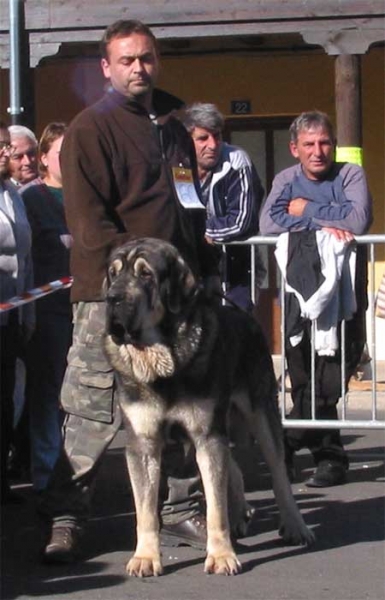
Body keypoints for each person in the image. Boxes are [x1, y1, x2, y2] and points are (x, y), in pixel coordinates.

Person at [39, 19, 219, 564]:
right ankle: (67, 515)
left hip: (177, 299)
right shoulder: (91, 128)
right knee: (91, 406)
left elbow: (187, 203)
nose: (138, 68)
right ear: (106, 68)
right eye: (127, 60)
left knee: (182, 402)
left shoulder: (174, 123)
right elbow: (89, 223)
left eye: (146, 58)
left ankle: (180, 508)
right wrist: (141, 273)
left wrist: (201, 265)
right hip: (108, 295)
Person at [259, 110, 373, 487]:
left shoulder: (350, 174)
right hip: (297, 293)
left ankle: (285, 442)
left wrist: (306, 210)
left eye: (324, 142)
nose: (318, 150)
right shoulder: (285, 179)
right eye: (309, 144)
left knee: (334, 373)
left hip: (343, 293)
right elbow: (268, 222)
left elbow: (358, 220)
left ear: (333, 145)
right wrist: (329, 219)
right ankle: (330, 459)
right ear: (295, 149)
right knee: (303, 372)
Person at [20, 122, 73, 492]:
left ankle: (77, 474)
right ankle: (46, 475)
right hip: (46, 309)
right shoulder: (30, 198)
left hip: (83, 308)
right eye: (61, 153)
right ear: (43, 158)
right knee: (47, 393)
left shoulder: (85, 194)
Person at [183, 102, 265, 313]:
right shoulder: (177, 165)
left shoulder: (237, 161)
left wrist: (200, 232)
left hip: (235, 266)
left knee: (235, 330)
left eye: (217, 136)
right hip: (192, 265)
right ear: (187, 139)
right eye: (203, 138)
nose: (212, 144)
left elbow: (242, 221)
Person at [0, 120, 34, 503]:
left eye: (6, 146)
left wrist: (28, 314)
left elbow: (24, 258)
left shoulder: (13, 193)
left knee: (6, 400)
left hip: (11, 316)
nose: (6, 153)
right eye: (1, 147)